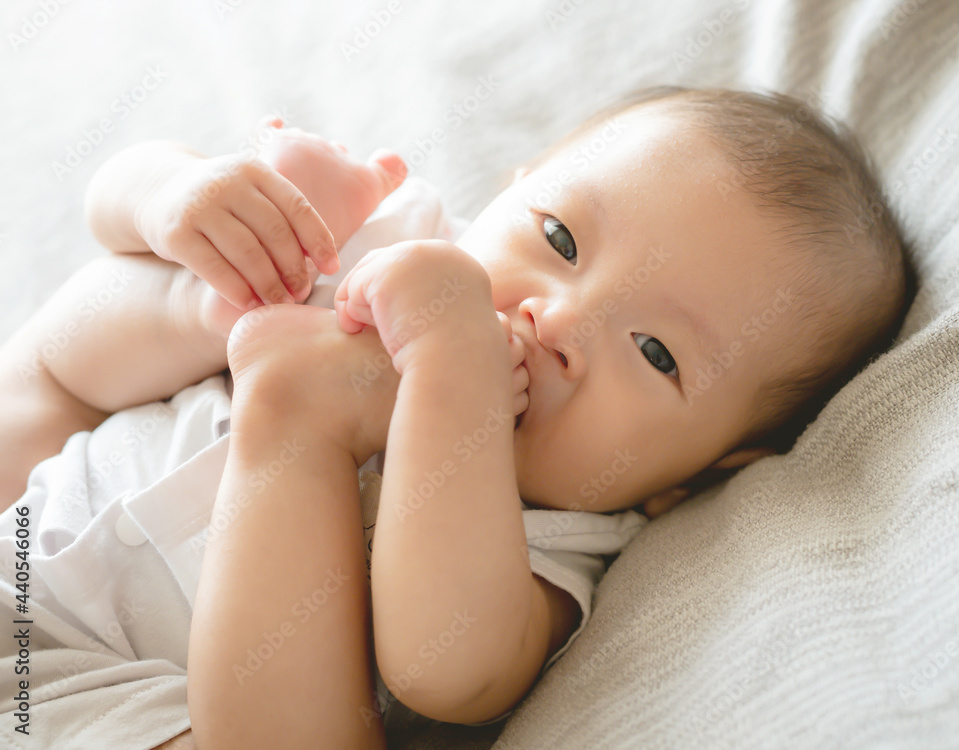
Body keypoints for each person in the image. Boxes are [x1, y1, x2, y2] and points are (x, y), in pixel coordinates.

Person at [0, 86, 911, 749]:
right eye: (558, 239)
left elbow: (446, 669)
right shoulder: (395, 242)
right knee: (93, 331)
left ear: (697, 473)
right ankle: (209, 312)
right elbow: (105, 224)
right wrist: (180, 205)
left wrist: (449, 371)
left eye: (656, 353)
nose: (554, 319)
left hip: (77, 692)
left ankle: (295, 417)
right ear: (516, 188)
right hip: (29, 501)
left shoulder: (557, 538)